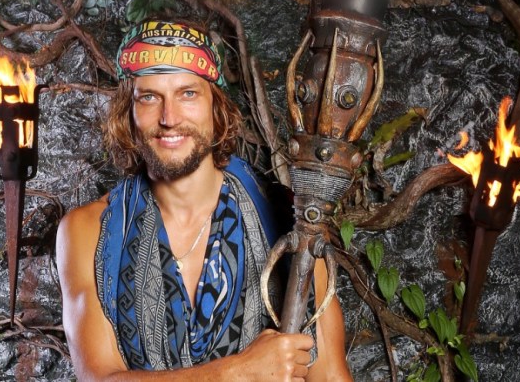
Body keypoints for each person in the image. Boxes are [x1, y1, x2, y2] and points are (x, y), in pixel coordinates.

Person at [56, 21, 352, 381]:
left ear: (216, 106)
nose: (169, 118)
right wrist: (239, 372)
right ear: (127, 113)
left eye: (188, 94)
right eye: (149, 97)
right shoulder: (88, 231)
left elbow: (330, 374)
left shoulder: (291, 219)